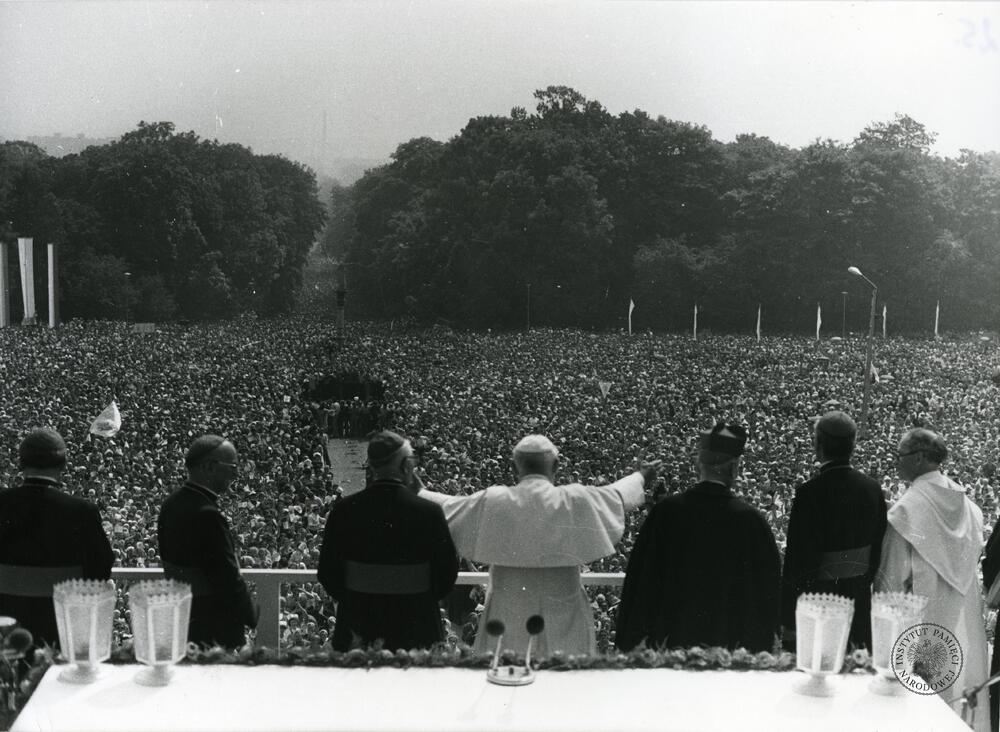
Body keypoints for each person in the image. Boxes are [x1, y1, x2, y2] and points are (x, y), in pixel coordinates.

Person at [419, 434, 658, 658]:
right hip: (565, 614)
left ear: (513, 468)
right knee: (564, 680)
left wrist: (418, 491)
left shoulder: (495, 500)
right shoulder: (575, 499)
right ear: (556, 466)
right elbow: (616, 496)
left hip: (507, 613)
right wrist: (641, 477)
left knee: (508, 681)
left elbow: (449, 507)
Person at [615, 423, 780, 653]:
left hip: (670, 650)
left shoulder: (665, 513)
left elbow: (640, 587)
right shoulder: (752, 521)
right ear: (734, 468)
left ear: (697, 464)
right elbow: (767, 596)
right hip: (731, 653)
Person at [875, 428, 989, 731]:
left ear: (920, 458)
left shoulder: (906, 510)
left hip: (915, 621)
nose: (896, 463)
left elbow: (890, 584)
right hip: (960, 620)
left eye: (901, 456)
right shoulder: (971, 510)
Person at [318, 431, 458, 651]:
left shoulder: (344, 510)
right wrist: (417, 597)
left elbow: (327, 572)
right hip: (416, 623)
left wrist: (358, 597)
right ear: (404, 465)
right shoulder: (429, 512)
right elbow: (447, 574)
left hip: (358, 620)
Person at [780, 411, 887, 650]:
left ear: (818, 446)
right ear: (853, 445)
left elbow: (798, 559)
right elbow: (878, 545)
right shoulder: (872, 488)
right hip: (858, 598)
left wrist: (789, 617)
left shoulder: (809, 493)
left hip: (817, 601)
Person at [0, 428, 114, 647]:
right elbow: (101, 570)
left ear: (21, 463)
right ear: (63, 465)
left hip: (5, 630)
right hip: (62, 633)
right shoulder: (82, 511)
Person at [158, 435, 256, 650]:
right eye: (232, 467)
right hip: (214, 627)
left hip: (184, 617)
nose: (236, 473)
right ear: (209, 467)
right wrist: (251, 616)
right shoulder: (207, 514)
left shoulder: (171, 504)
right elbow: (227, 576)